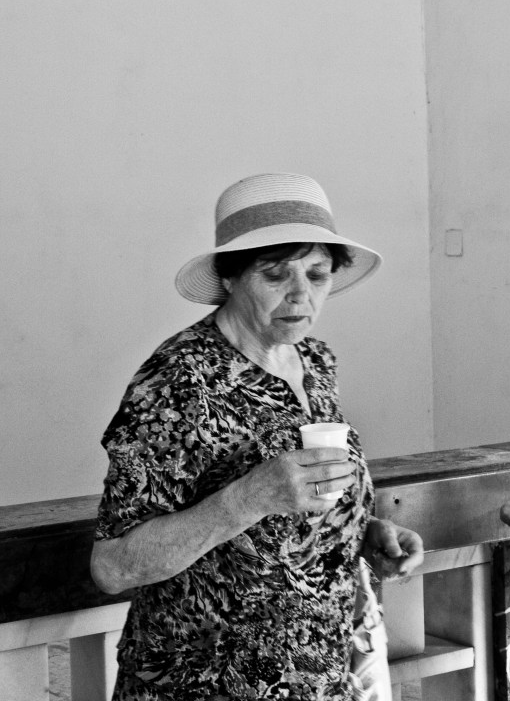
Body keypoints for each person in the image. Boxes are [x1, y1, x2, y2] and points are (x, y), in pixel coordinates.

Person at [90, 172, 425, 700]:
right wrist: (248, 497)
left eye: (317, 275)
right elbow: (113, 567)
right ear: (231, 279)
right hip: (203, 683)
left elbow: (293, 513)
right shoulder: (180, 379)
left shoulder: (315, 361)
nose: (301, 296)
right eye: (275, 275)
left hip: (319, 674)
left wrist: (362, 531)